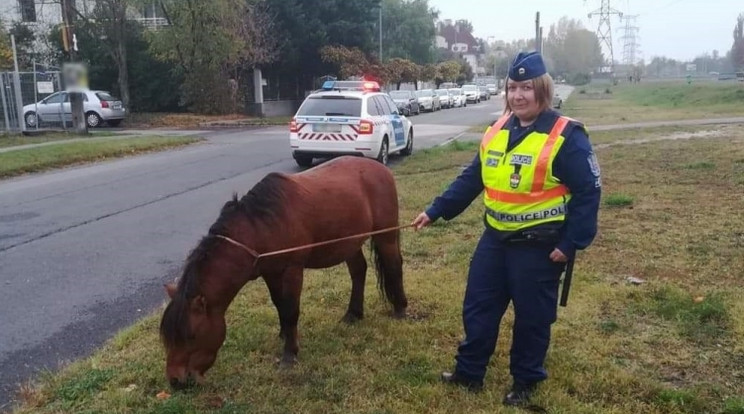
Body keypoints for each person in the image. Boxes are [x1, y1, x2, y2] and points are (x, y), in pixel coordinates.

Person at [411, 51, 601, 407]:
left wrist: (572, 243)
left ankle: (527, 380)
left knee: (532, 319)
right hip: (495, 241)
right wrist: (436, 210)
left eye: (526, 88)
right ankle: (469, 373)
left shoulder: (566, 136)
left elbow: (589, 192)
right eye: (513, 87)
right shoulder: (498, 129)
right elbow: (473, 178)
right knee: (478, 308)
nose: (518, 95)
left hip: (540, 247)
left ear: (542, 90)